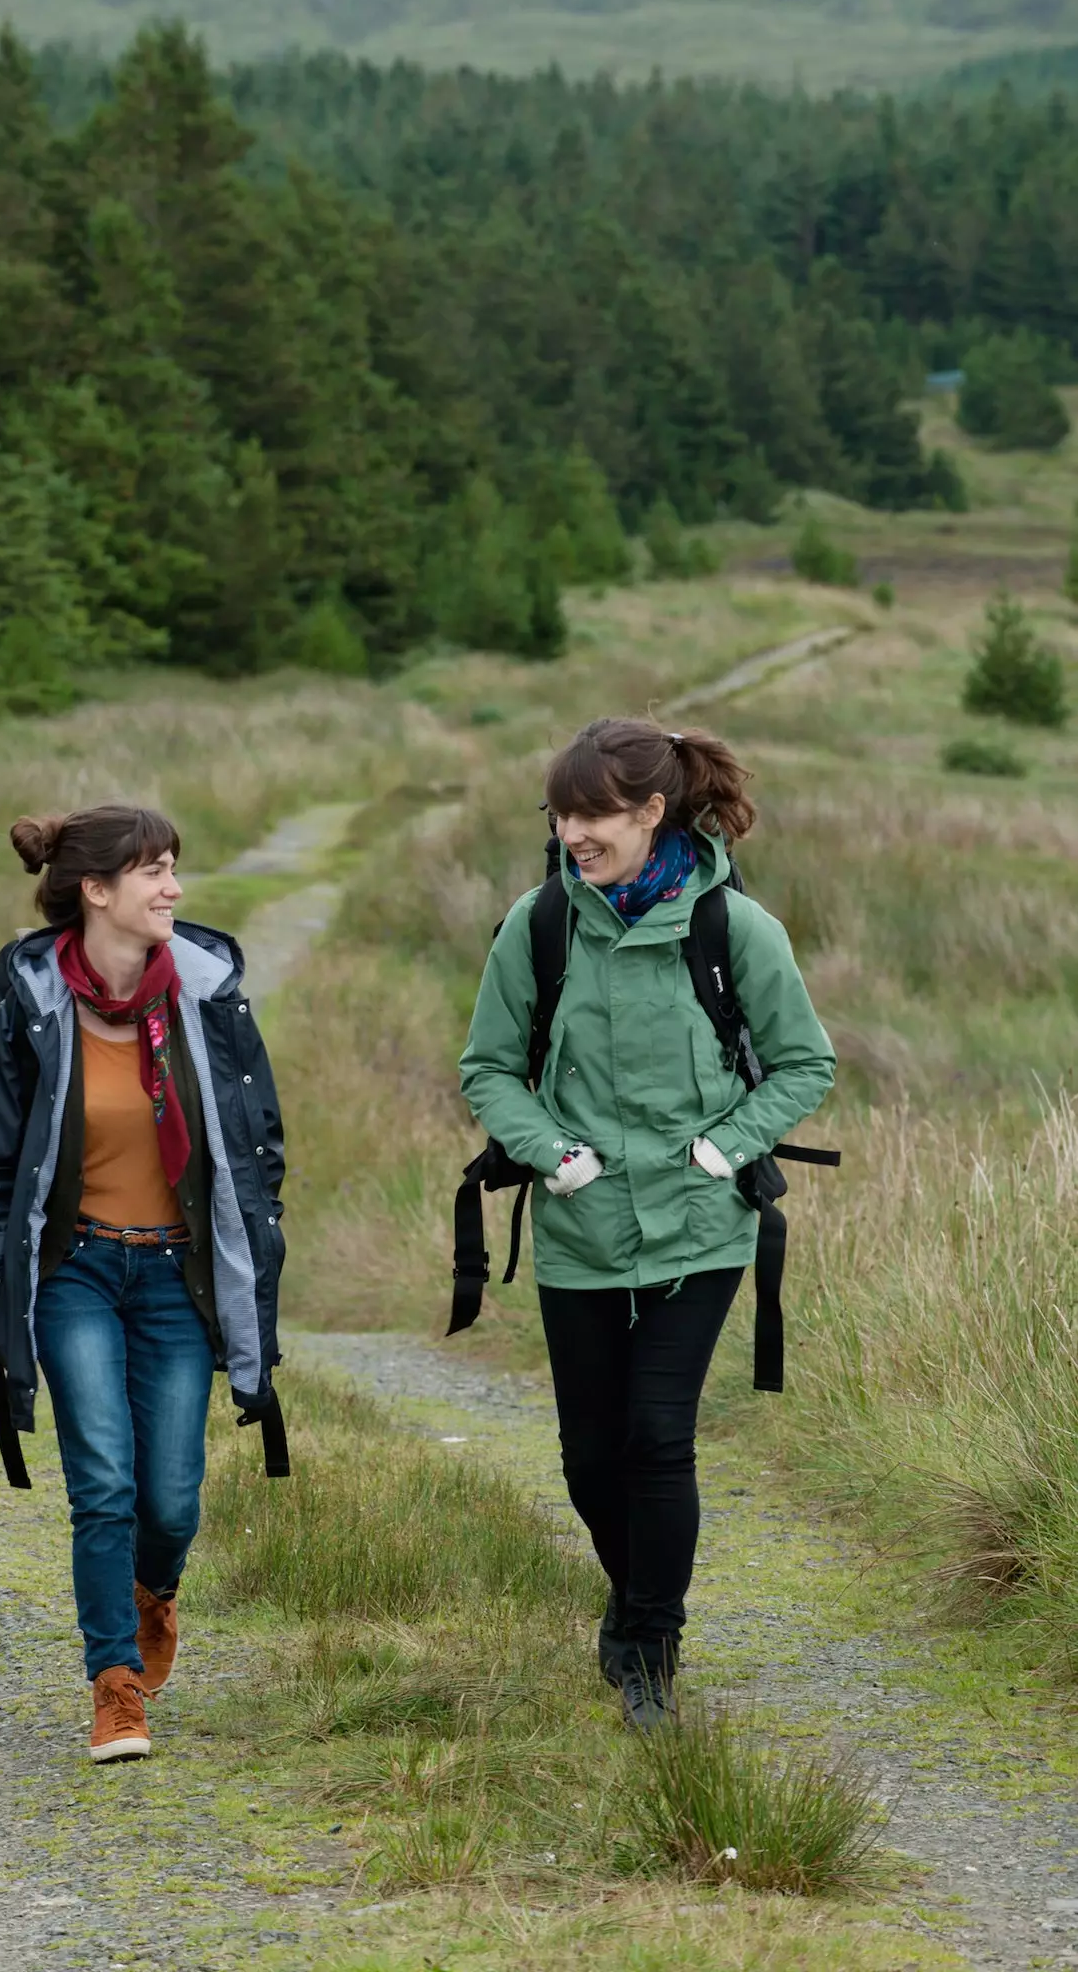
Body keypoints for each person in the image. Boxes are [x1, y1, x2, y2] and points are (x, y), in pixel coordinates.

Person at [459, 718, 835, 1728]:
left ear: (651, 811)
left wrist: (721, 1148)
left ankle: (649, 1650)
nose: (573, 832)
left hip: (698, 1228)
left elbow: (804, 1062)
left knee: (657, 1436)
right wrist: (552, 1153)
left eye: (594, 815)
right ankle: (632, 1607)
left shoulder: (730, 929)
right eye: (561, 814)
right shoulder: (535, 926)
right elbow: (488, 1068)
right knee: (589, 1454)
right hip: (579, 1231)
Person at [0, 804, 286, 1763]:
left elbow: (258, 1140)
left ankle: (154, 1595)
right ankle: (114, 1685)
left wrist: (257, 1241)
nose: (173, 889)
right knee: (101, 1481)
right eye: (153, 872)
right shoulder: (31, 1005)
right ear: (96, 891)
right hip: (77, 1271)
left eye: (174, 868)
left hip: (174, 1274)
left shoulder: (206, 997)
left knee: (170, 1500)